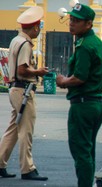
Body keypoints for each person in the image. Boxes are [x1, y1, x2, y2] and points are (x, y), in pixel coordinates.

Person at [55, 4, 102, 186]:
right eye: (71, 19)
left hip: (83, 105)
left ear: (89, 24)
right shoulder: (97, 43)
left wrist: (63, 81)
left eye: (76, 21)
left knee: (81, 152)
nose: (71, 24)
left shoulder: (85, 46)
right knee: (87, 150)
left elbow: (80, 78)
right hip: (95, 104)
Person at [0, 6, 48, 181]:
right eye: (39, 27)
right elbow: (23, 69)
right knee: (25, 131)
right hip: (23, 90)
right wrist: (38, 71)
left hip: (16, 88)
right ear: (34, 27)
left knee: (13, 128)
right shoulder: (25, 44)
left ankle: (0, 163)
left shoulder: (15, 40)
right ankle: (27, 168)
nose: (39, 30)